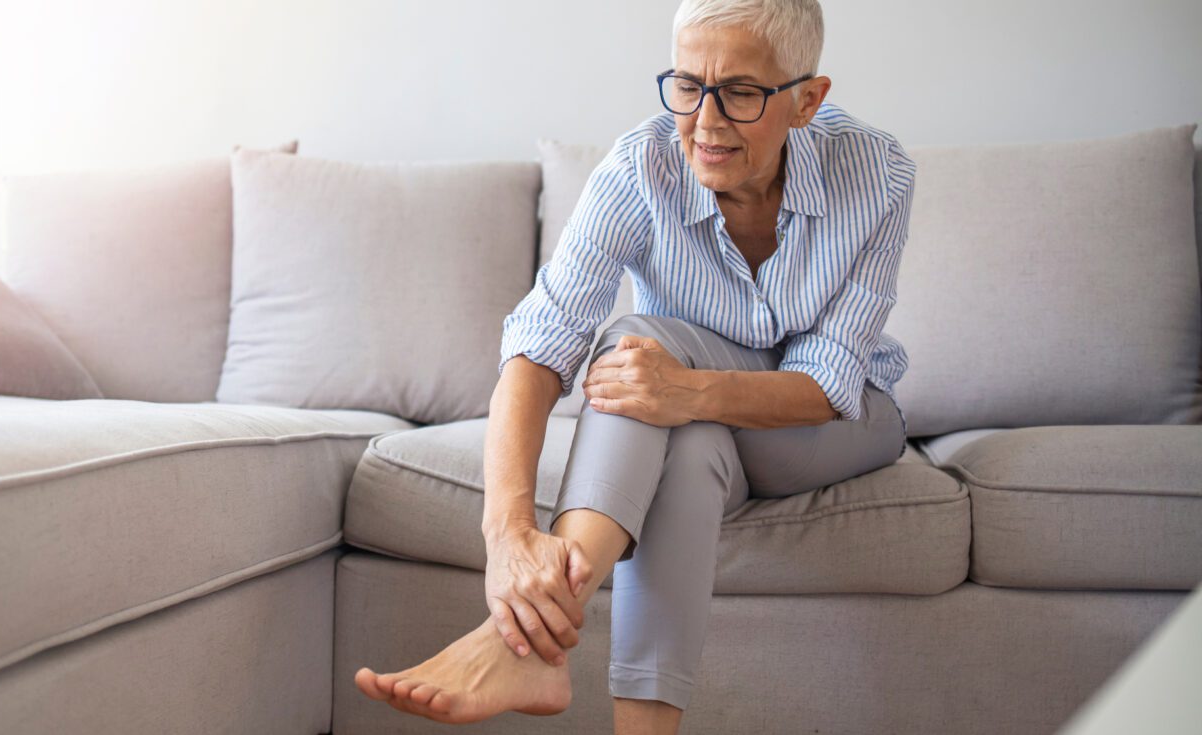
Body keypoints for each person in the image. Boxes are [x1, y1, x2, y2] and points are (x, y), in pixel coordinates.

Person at [354, 0, 914, 732]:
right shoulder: (640, 166)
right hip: (708, 429)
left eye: (741, 93)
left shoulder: (876, 172)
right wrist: (508, 537)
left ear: (806, 100)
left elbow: (829, 379)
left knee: (640, 339)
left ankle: (517, 641)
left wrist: (685, 387)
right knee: (691, 447)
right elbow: (539, 346)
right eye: (687, 85)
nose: (705, 121)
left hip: (841, 422)